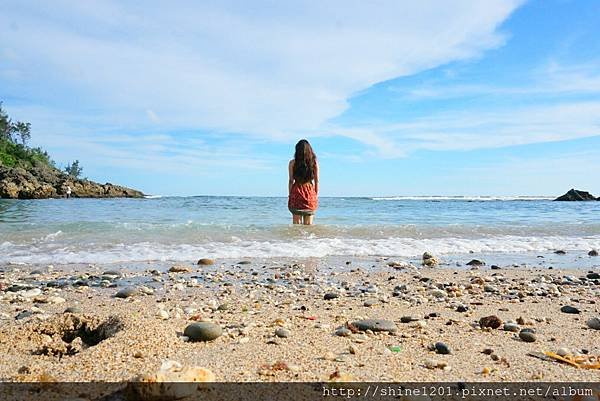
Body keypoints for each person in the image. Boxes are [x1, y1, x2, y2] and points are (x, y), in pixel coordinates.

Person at [288, 139, 319, 225]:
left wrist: (290, 195)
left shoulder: (292, 163)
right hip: (310, 193)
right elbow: (317, 181)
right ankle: (308, 239)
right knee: (308, 226)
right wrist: (315, 195)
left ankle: (296, 239)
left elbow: (291, 181)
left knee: (296, 225)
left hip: (296, 193)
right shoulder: (314, 163)